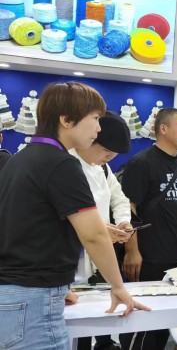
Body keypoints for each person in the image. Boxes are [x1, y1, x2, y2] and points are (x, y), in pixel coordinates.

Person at [0, 82, 148, 349]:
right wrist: (118, 287)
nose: (99, 129)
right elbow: (93, 236)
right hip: (34, 299)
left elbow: (30, 227)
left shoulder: (20, 160)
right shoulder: (62, 164)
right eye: (95, 118)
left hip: (17, 293)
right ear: (66, 120)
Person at [119, 108, 177, 350]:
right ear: (163, 128)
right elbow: (127, 209)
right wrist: (132, 251)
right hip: (148, 257)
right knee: (143, 324)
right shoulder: (141, 163)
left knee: (165, 325)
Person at [71, 110, 134, 350]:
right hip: (71, 262)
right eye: (106, 151)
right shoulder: (67, 165)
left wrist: (123, 222)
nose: (109, 157)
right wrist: (100, 229)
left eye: (114, 154)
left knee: (93, 322)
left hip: (98, 262)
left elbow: (119, 198)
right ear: (91, 138)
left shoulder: (103, 169)